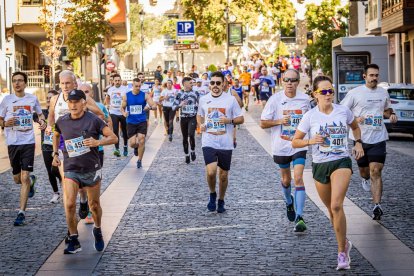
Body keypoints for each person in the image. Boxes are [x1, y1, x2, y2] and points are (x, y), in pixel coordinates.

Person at [292, 75, 364, 270]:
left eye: (331, 91)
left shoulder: (343, 111)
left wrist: (357, 142)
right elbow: (295, 141)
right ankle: (345, 242)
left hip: (341, 161)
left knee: (337, 205)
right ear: (315, 94)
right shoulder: (310, 116)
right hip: (320, 164)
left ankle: (342, 253)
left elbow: (355, 127)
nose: (328, 94)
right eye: (324, 92)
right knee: (332, 212)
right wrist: (310, 141)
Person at [52, 89, 118, 254]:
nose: (73, 105)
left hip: (91, 168)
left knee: (94, 206)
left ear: (83, 102)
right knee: (68, 204)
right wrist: (55, 153)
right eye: (70, 102)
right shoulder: (62, 120)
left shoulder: (94, 120)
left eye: (76, 101)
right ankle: (74, 239)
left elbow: (114, 138)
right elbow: (56, 134)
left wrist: (97, 142)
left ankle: (97, 228)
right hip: (71, 168)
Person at [340, 64, 398, 220]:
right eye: (371, 75)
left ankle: (377, 206)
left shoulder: (383, 92)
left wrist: (391, 115)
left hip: (378, 137)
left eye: (376, 75)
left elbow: (387, 110)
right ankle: (364, 179)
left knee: (376, 171)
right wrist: (354, 119)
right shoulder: (354, 93)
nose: (374, 78)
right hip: (360, 139)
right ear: (364, 76)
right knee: (365, 172)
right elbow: (342, 111)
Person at [260, 69, 311, 232]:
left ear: (298, 82)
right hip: (280, 146)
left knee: (298, 178)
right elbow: (263, 123)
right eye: (287, 80)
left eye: (293, 80)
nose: (290, 83)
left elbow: (311, 120)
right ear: (282, 81)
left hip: (298, 144)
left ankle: (300, 217)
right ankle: (289, 203)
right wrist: (280, 121)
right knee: (286, 180)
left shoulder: (304, 99)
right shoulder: (275, 100)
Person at [0, 72, 47, 226]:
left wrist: (42, 122)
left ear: (25, 83)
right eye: (14, 81)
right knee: (17, 179)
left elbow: (41, 116)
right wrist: (5, 124)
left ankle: (21, 213)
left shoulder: (32, 99)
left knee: (24, 177)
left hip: (28, 141)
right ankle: (31, 182)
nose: (17, 83)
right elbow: (0, 120)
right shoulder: (6, 100)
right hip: (12, 142)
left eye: (20, 80)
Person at [197, 71, 244, 213]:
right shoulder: (204, 99)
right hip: (209, 140)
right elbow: (200, 115)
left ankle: (221, 200)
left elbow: (241, 119)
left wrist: (229, 120)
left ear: (223, 83)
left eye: (218, 83)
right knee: (211, 172)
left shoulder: (230, 100)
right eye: (212, 83)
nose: (215, 86)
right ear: (209, 84)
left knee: (223, 175)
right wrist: (201, 125)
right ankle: (212, 194)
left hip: (225, 142)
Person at [121, 78, 157, 168]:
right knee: (132, 143)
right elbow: (122, 108)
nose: (138, 88)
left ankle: (139, 160)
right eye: (136, 86)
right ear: (132, 86)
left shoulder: (145, 95)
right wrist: (124, 113)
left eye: (139, 86)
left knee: (142, 139)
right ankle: (136, 148)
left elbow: (154, 105)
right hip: (131, 122)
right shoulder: (127, 96)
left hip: (142, 121)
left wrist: (149, 108)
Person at [40, 90, 62, 204]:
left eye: (51, 98)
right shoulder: (43, 112)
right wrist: (41, 120)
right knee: (50, 170)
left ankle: (64, 186)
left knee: (59, 169)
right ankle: (56, 193)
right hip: (46, 146)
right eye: (47, 98)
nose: (49, 100)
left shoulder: (60, 112)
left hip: (59, 145)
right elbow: (38, 116)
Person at [172, 77, 200, 164]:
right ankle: (187, 154)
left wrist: (197, 109)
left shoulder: (196, 93)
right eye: (190, 83)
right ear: (184, 84)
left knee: (191, 134)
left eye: (192, 83)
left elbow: (201, 104)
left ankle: (192, 150)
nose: (192, 84)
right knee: (184, 137)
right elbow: (173, 107)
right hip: (183, 118)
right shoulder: (179, 93)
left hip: (192, 117)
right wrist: (180, 105)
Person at [104, 74, 128, 157]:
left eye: (119, 80)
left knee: (125, 130)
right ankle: (117, 149)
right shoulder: (110, 89)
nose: (117, 82)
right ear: (113, 81)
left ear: (121, 81)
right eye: (116, 80)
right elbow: (107, 98)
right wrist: (107, 105)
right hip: (113, 112)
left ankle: (125, 146)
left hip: (123, 112)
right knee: (115, 130)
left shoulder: (125, 89)